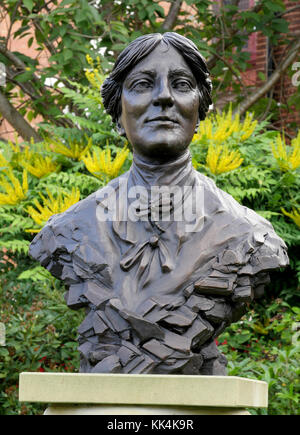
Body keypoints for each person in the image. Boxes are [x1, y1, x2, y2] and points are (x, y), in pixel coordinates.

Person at [30, 33, 288, 375]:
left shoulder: (251, 238)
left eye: (180, 84)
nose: (163, 97)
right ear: (118, 114)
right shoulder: (66, 231)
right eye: (142, 84)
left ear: (199, 110)